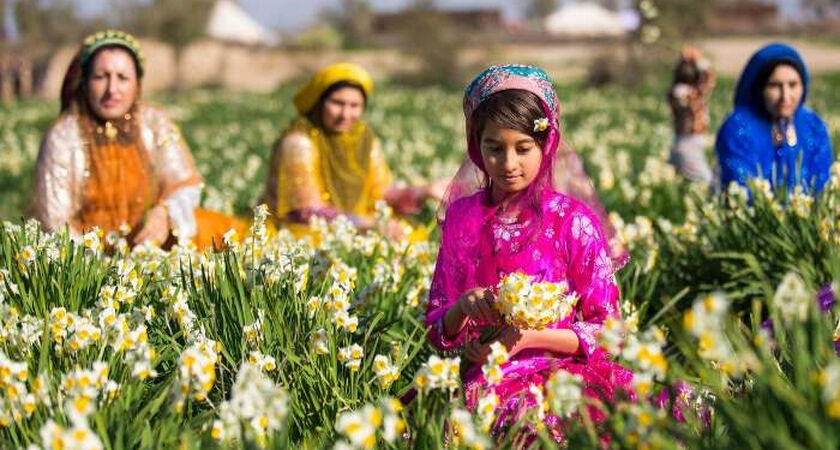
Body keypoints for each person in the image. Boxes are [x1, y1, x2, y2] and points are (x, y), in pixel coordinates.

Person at [425, 65, 633, 437]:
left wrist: (526, 338)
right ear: (476, 147)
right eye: (494, 148)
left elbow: (610, 331)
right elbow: (438, 331)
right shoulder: (463, 217)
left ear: (546, 143)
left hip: (568, 374)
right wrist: (462, 308)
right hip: (492, 379)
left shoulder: (573, 221)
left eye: (523, 149)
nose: (508, 165)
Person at [32, 30, 241, 249]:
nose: (112, 90)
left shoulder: (154, 122)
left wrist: (164, 213)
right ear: (85, 83)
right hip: (91, 257)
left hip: (153, 245)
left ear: (137, 84)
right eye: (101, 77)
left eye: (122, 78)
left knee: (218, 231)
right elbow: (55, 221)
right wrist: (99, 270)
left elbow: (184, 183)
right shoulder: (63, 135)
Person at [260, 62, 445, 237]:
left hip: (352, 228)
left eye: (354, 106)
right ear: (319, 102)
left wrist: (423, 191)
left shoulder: (363, 138)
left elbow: (381, 192)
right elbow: (305, 211)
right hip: (300, 232)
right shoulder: (299, 142)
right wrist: (369, 224)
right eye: (337, 103)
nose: (345, 115)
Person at [716, 43, 833, 193]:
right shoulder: (738, 128)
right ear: (759, 88)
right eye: (775, 86)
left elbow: (822, 188)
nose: (786, 96)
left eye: (793, 85)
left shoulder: (813, 126)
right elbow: (743, 192)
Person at [668, 45, 715, 184]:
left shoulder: (677, 91)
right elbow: (709, 78)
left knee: (684, 184)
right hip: (688, 145)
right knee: (707, 182)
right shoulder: (683, 93)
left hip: (685, 143)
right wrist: (699, 60)